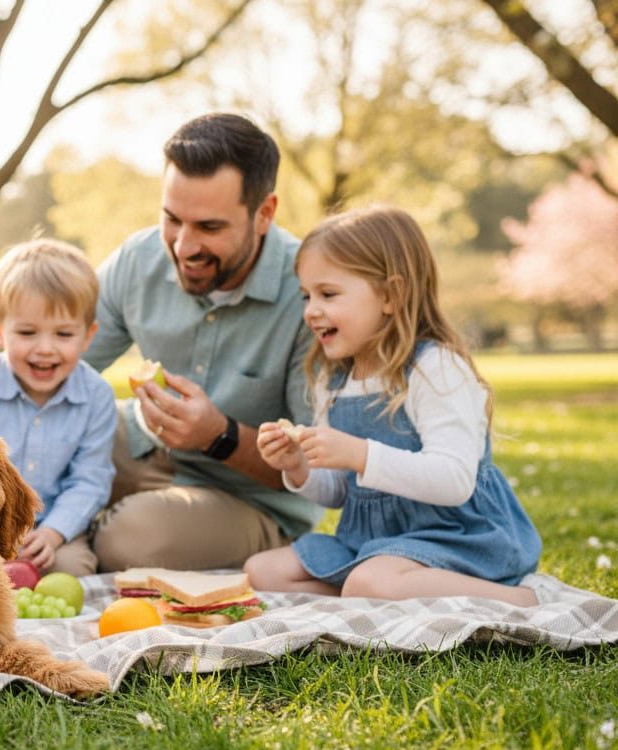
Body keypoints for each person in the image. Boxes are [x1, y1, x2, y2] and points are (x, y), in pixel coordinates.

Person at [245, 206, 541, 606]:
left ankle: (513, 598)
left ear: (391, 295)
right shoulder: (333, 378)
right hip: (373, 542)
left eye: (328, 294)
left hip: (458, 535)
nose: (311, 310)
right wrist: (297, 465)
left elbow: (454, 480)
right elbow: (336, 492)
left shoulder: (434, 368)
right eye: (306, 295)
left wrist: (361, 454)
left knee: (371, 582)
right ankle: (366, 593)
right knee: (262, 571)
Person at [83, 112, 322, 572]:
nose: (183, 246)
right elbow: (39, 361)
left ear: (264, 214)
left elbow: (315, 469)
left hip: (249, 498)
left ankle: (76, 526)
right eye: (172, 219)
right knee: (35, 439)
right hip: (142, 447)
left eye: (209, 228)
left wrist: (219, 436)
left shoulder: (309, 293)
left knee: (129, 539)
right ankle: (72, 518)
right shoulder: (141, 257)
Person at [0, 239, 117, 576]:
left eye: (63, 334)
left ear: (88, 337)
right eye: (27, 332)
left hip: (54, 525)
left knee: (73, 568)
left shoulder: (97, 395)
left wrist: (54, 533)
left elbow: (91, 479)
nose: (45, 349)